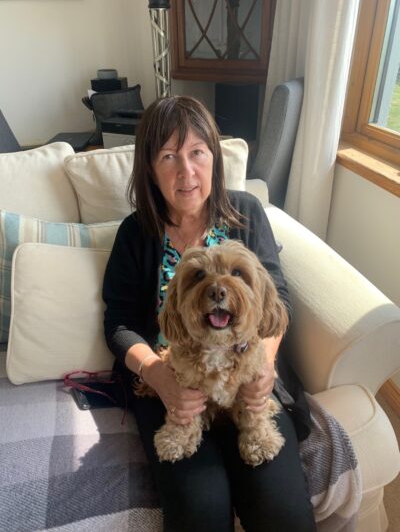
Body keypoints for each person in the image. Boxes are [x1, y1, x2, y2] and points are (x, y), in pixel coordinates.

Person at [102, 95, 316, 532]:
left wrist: (266, 367)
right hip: (173, 388)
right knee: (201, 510)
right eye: (168, 156)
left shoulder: (247, 213)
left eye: (197, 152)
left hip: (247, 383)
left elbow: (279, 300)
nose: (186, 171)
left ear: (214, 158)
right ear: (149, 168)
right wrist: (158, 377)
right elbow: (119, 323)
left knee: (282, 509)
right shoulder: (134, 233)